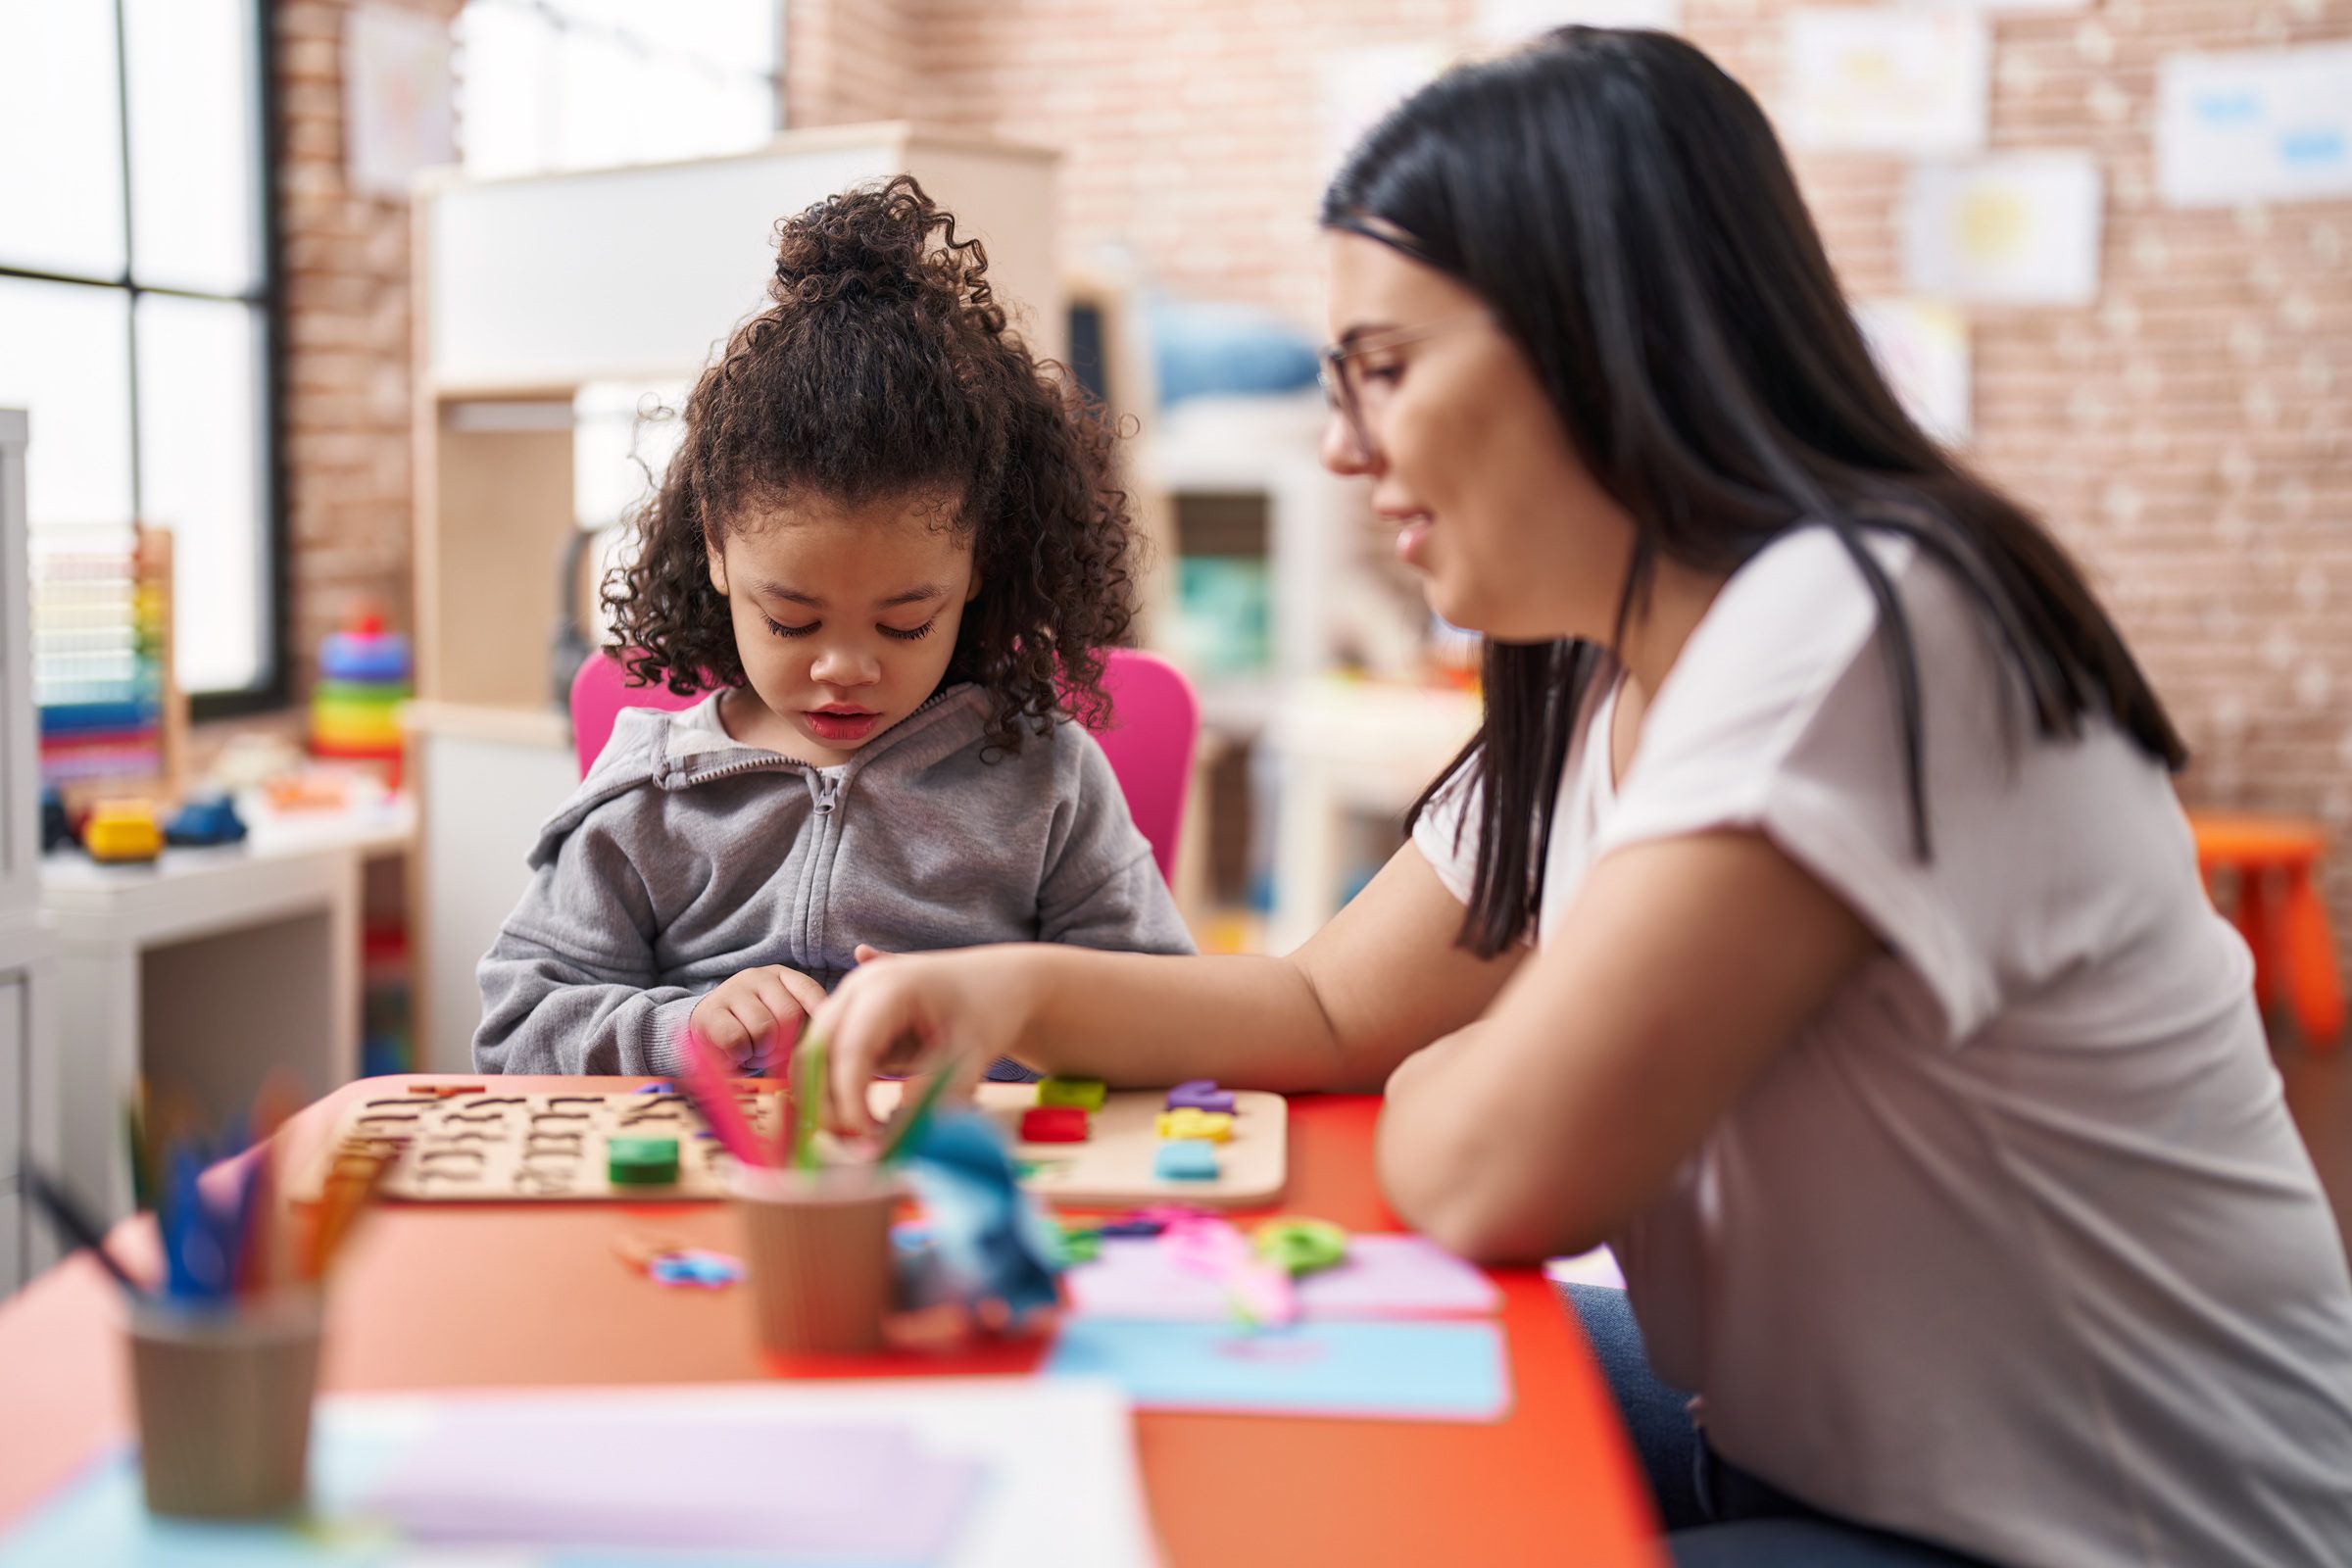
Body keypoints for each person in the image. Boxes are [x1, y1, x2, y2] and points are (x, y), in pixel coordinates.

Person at [801, 29, 2352, 1568]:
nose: (1344, 448)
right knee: (1231, 1429)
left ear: (1601, 336)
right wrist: (990, 992)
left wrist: (1456, 1078)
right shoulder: (1601, 677)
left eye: (1386, 370)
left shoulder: (1857, 624)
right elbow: (1332, 1013)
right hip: (1799, 1453)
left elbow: (1491, 1174)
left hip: (2107, 1531)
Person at [472, 176, 1192, 1080]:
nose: (845, 668)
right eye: (791, 620)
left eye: (904, 624)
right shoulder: (651, 797)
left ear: (974, 572)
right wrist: (683, 1029)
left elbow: (1165, 1008)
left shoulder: (1043, 780)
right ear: (718, 552)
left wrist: (1006, 1017)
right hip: (717, 1199)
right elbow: (516, 1029)